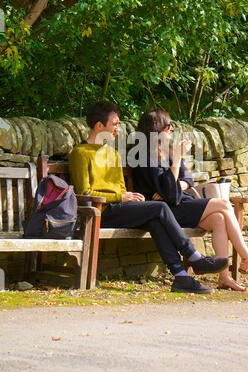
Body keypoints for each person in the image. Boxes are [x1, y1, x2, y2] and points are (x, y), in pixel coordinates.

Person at [68, 101, 228, 294]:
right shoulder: (80, 153)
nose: (118, 129)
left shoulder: (112, 153)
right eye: (115, 124)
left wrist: (129, 197)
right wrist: (121, 196)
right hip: (99, 211)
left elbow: (120, 186)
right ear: (99, 126)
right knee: (159, 208)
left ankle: (182, 277)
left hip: (120, 208)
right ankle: (194, 256)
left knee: (155, 221)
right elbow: (84, 193)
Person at [133, 109, 248, 291]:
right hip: (165, 211)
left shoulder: (168, 151)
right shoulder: (144, 156)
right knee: (223, 204)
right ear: (156, 129)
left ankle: (224, 277)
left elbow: (187, 180)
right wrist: (175, 165)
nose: (172, 129)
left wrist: (176, 184)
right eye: (168, 126)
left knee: (219, 219)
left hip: (178, 203)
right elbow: (171, 195)